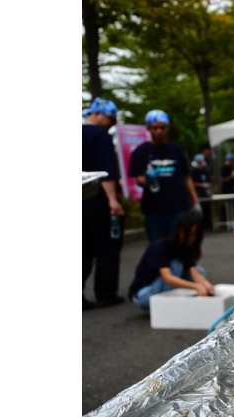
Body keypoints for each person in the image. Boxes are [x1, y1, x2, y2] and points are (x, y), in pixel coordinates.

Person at [128, 109, 202, 241]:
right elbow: (138, 179)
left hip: (178, 207)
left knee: (178, 244)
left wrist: (196, 201)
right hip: (154, 210)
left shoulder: (177, 150)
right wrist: (148, 181)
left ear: (168, 128)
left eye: (162, 128)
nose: (159, 131)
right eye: (155, 128)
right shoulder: (141, 152)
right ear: (148, 128)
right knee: (158, 245)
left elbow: (186, 177)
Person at [83, 97, 126, 309]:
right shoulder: (100, 137)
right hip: (96, 198)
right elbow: (105, 172)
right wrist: (112, 200)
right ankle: (105, 293)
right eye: (110, 118)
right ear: (97, 113)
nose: (111, 124)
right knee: (107, 246)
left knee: (82, 247)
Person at [128, 212, 216, 309]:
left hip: (158, 287)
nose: (194, 238)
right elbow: (168, 278)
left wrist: (207, 286)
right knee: (176, 266)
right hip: (143, 295)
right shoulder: (159, 247)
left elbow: (195, 274)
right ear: (181, 231)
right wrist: (196, 286)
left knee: (200, 271)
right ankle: (166, 305)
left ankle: (175, 302)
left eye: (196, 235)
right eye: (192, 234)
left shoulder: (186, 247)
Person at [191, 153, 214, 230]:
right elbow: (193, 183)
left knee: (207, 210)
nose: (203, 162)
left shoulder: (204, 171)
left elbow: (208, 180)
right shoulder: (194, 172)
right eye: (201, 161)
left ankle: (208, 225)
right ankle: (200, 226)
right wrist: (202, 185)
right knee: (200, 212)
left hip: (206, 193)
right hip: (199, 194)